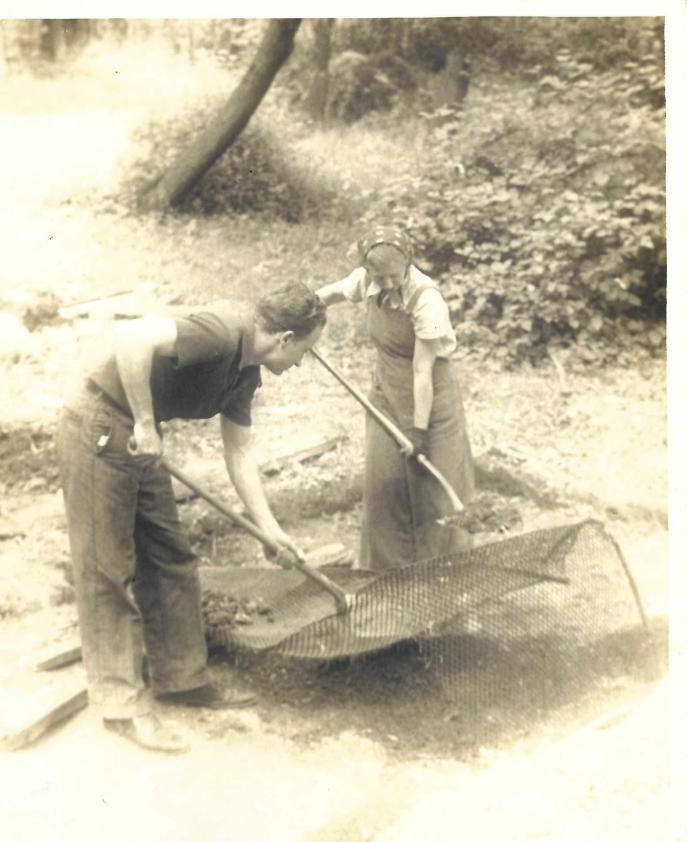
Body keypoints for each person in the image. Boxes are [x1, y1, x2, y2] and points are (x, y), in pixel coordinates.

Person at [57, 281, 326, 753]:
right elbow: (133, 339)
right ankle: (121, 705)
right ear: (284, 338)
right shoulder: (222, 332)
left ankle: (181, 678)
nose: (301, 361)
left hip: (139, 436)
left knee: (169, 555)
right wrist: (144, 422)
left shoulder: (247, 373)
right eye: (304, 351)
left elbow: (240, 451)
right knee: (107, 568)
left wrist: (269, 529)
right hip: (100, 424)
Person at [316, 226, 474, 571]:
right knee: (383, 485)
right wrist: (302, 309)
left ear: (408, 265)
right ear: (368, 270)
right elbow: (329, 294)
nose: (387, 284)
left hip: (432, 400)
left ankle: (445, 573)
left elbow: (422, 370)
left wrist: (419, 432)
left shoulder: (426, 299)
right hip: (386, 394)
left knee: (437, 493)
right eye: (379, 277)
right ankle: (384, 573)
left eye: (394, 276)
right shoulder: (366, 281)